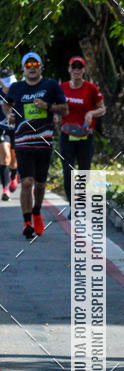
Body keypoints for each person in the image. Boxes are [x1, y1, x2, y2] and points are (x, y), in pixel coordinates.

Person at [1, 52, 68, 237]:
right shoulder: (16, 87)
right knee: (27, 182)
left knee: (39, 184)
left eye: (35, 64)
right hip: (22, 142)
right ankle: (27, 222)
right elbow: (6, 104)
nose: (32, 67)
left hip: (44, 142)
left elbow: (65, 109)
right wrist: (9, 115)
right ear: (23, 68)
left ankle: (37, 211)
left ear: (40, 67)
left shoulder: (50, 85)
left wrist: (48, 107)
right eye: (28, 64)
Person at [59, 56, 106, 215]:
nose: (77, 70)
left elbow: (102, 109)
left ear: (84, 70)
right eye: (74, 67)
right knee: (67, 172)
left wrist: (91, 113)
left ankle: (79, 201)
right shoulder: (62, 87)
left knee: (83, 172)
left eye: (80, 67)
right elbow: (56, 106)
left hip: (85, 136)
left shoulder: (91, 88)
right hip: (66, 135)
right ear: (69, 69)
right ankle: (73, 205)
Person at [0, 67, 18, 200]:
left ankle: (13, 176)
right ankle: (5, 189)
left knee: (13, 156)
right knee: (5, 155)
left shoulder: (18, 91)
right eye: (6, 83)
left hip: (16, 129)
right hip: (2, 128)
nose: (9, 85)